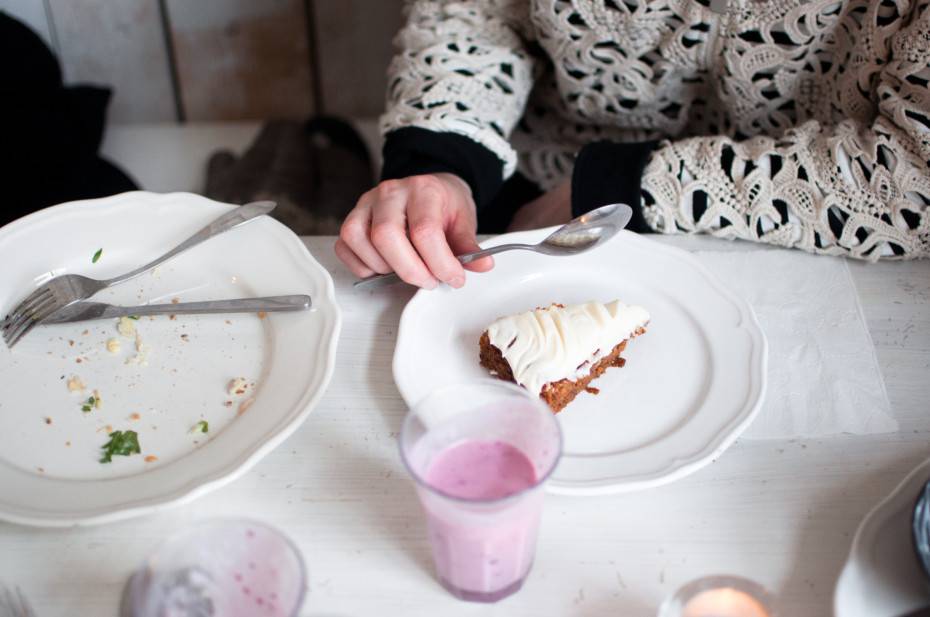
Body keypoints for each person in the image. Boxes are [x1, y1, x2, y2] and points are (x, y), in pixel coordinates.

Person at [336, 0, 930, 289]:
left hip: (817, 251)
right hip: (516, 206)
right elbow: (472, 17)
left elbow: (913, 175)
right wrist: (443, 164)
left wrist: (614, 187)